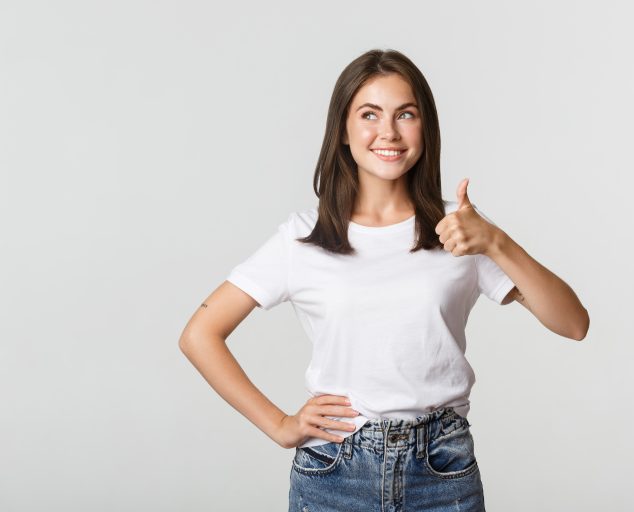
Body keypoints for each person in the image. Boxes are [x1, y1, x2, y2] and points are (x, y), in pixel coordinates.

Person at [179, 48, 589, 511]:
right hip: (335, 470)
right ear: (343, 131)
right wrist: (279, 425)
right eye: (369, 114)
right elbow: (199, 335)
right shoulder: (302, 237)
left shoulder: (460, 230)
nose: (388, 132)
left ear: (425, 127)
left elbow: (573, 324)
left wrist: (496, 242)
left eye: (405, 114)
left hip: (442, 466)